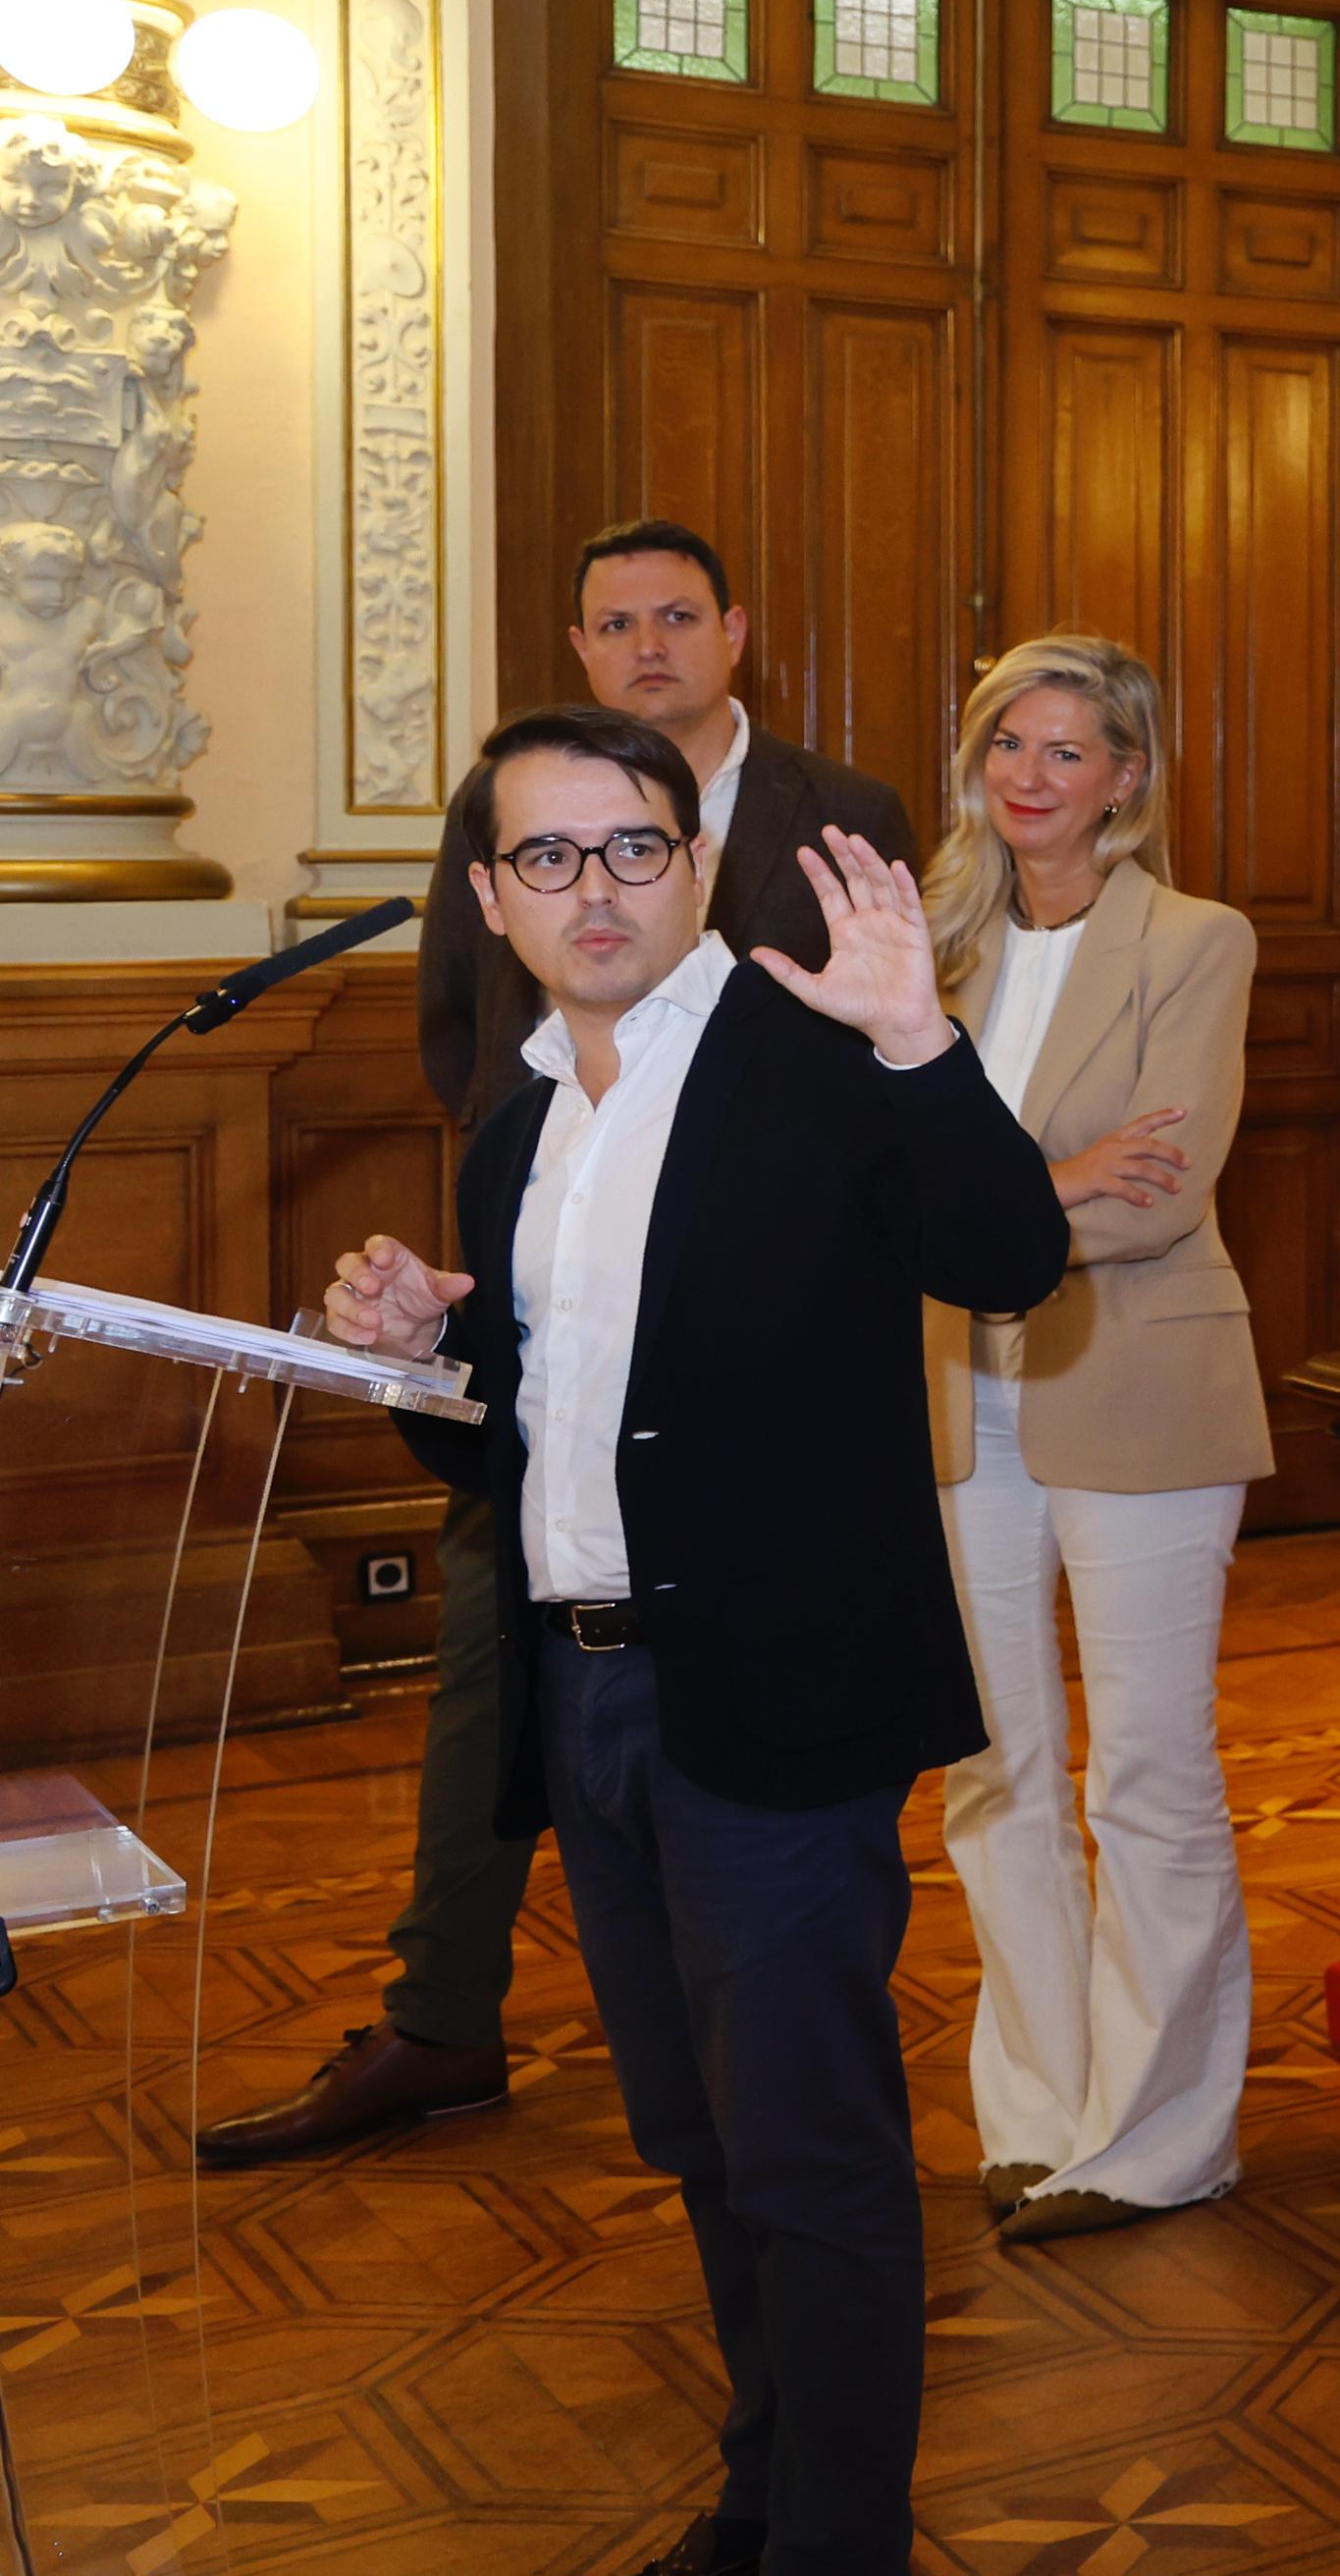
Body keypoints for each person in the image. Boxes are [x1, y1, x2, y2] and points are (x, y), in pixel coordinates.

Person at [321, 699, 1063, 2576]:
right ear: (491, 894)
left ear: (698, 864)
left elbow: (1010, 1255)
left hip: (771, 1699)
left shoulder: (812, 1057)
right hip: (584, 1701)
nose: (596, 887)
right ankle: (762, 2499)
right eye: (548, 854)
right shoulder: (517, 1128)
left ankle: (839, 2544)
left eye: (634, 846)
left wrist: (919, 1037)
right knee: (703, 2141)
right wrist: (423, 1351)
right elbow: (523, 1430)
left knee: (810, 2155)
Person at [209, 520, 918, 2171]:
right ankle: (443, 2007)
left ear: (736, 633)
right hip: (547, 1306)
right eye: (614, 621)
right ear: (581, 643)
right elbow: (467, 1036)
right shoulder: (509, 814)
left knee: (775, 2018)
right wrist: (533, 1216)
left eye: (678, 615)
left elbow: (884, 1102)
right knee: (501, 1679)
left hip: (750, 1402)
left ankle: (755, 2081)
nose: (647, 644)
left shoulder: (839, 810)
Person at [913, 636, 1270, 2245]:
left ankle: (1162, 2132)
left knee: (1147, 1771)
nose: (1032, 773)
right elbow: (884, 1178)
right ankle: (1041, 2107)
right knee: (992, 1769)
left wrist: (974, 1204)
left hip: (1142, 1388)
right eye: (1009, 743)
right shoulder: (931, 947)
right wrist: (1053, 1180)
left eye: (1069, 748)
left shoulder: (1196, 939)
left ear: (1127, 776)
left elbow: (1163, 1195)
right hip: (957, 1395)